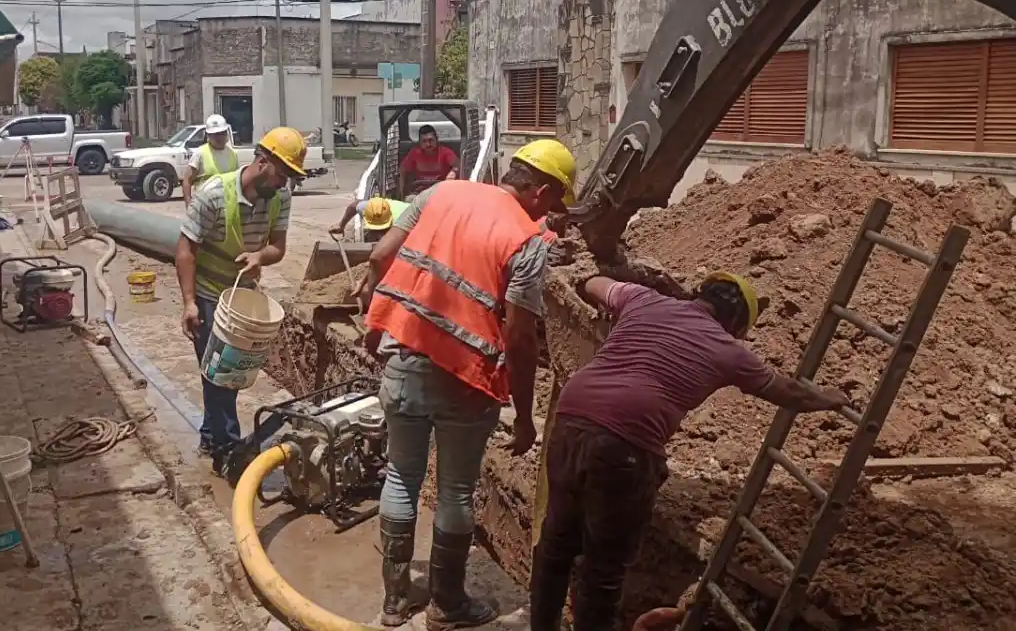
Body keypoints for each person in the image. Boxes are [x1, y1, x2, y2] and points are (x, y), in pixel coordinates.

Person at [528, 273, 852, 631]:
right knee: (602, 569)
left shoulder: (643, 299)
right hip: (625, 443)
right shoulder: (727, 350)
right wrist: (832, 399)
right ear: (736, 323)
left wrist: (595, 285)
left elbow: (593, 284)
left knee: (555, 544)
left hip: (572, 418)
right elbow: (792, 394)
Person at [357, 139, 577, 630]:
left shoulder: (441, 193)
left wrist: (375, 330)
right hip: (467, 380)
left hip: (404, 360)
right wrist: (523, 415)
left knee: (400, 477)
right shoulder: (526, 241)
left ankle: (394, 602)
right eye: (554, 201)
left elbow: (379, 257)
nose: (551, 213)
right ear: (540, 191)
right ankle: (447, 605)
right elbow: (520, 338)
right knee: (456, 492)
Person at [174, 126, 307, 472]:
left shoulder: (281, 197)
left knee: (223, 372)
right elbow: (186, 250)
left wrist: (259, 257)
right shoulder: (213, 194)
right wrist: (189, 302)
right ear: (263, 162)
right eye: (283, 173)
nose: (285, 182)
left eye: (291, 176)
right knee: (219, 373)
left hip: (242, 295)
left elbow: (278, 247)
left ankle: (210, 435)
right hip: (207, 293)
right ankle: (229, 451)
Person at [182, 114, 239, 207]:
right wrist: (188, 204)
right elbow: (187, 180)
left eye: (222, 133)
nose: (219, 137)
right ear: (208, 135)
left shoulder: (233, 154)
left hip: (227, 206)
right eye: (215, 134)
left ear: (226, 133)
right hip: (204, 206)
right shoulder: (200, 153)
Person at [399, 124, 458, 198]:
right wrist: (401, 193)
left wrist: (453, 172)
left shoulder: (445, 152)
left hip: (441, 192)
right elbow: (402, 170)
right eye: (424, 141)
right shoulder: (414, 153)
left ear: (437, 139)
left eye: (431, 140)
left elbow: (458, 166)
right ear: (419, 142)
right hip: (419, 193)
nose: (428, 144)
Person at [329, 196, 410, 244]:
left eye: (381, 229)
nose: (378, 231)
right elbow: (354, 206)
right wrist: (341, 225)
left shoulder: (404, 220)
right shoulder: (367, 208)